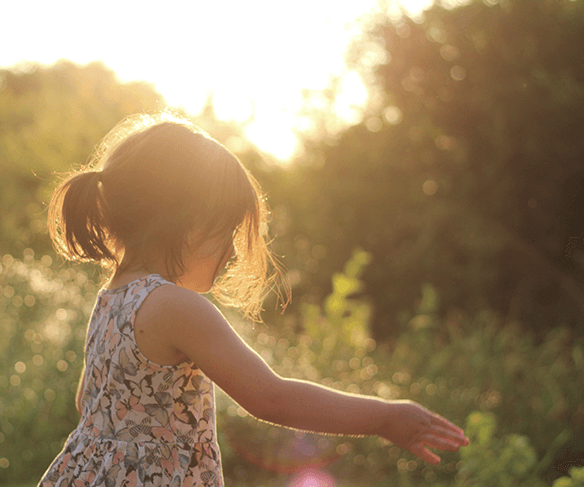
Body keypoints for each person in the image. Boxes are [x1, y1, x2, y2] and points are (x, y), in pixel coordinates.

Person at [38, 113, 469, 486]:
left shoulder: (111, 298)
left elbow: (88, 404)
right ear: (191, 223)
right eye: (227, 231)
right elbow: (271, 398)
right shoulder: (175, 307)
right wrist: (384, 418)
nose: (232, 251)